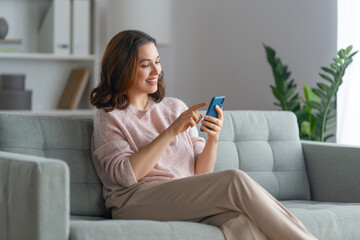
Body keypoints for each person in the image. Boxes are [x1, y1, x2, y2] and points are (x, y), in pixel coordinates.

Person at [90, 30, 317, 240]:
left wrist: (213, 138)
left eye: (157, 62)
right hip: (135, 200)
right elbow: (126, 175)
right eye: (145, 65)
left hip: (182, 196)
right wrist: (170, 132)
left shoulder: (175, 107)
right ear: (123, 68)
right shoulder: (109, 117)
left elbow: (201, 171)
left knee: (239, 220)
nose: (156, 71)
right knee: (233, 180)